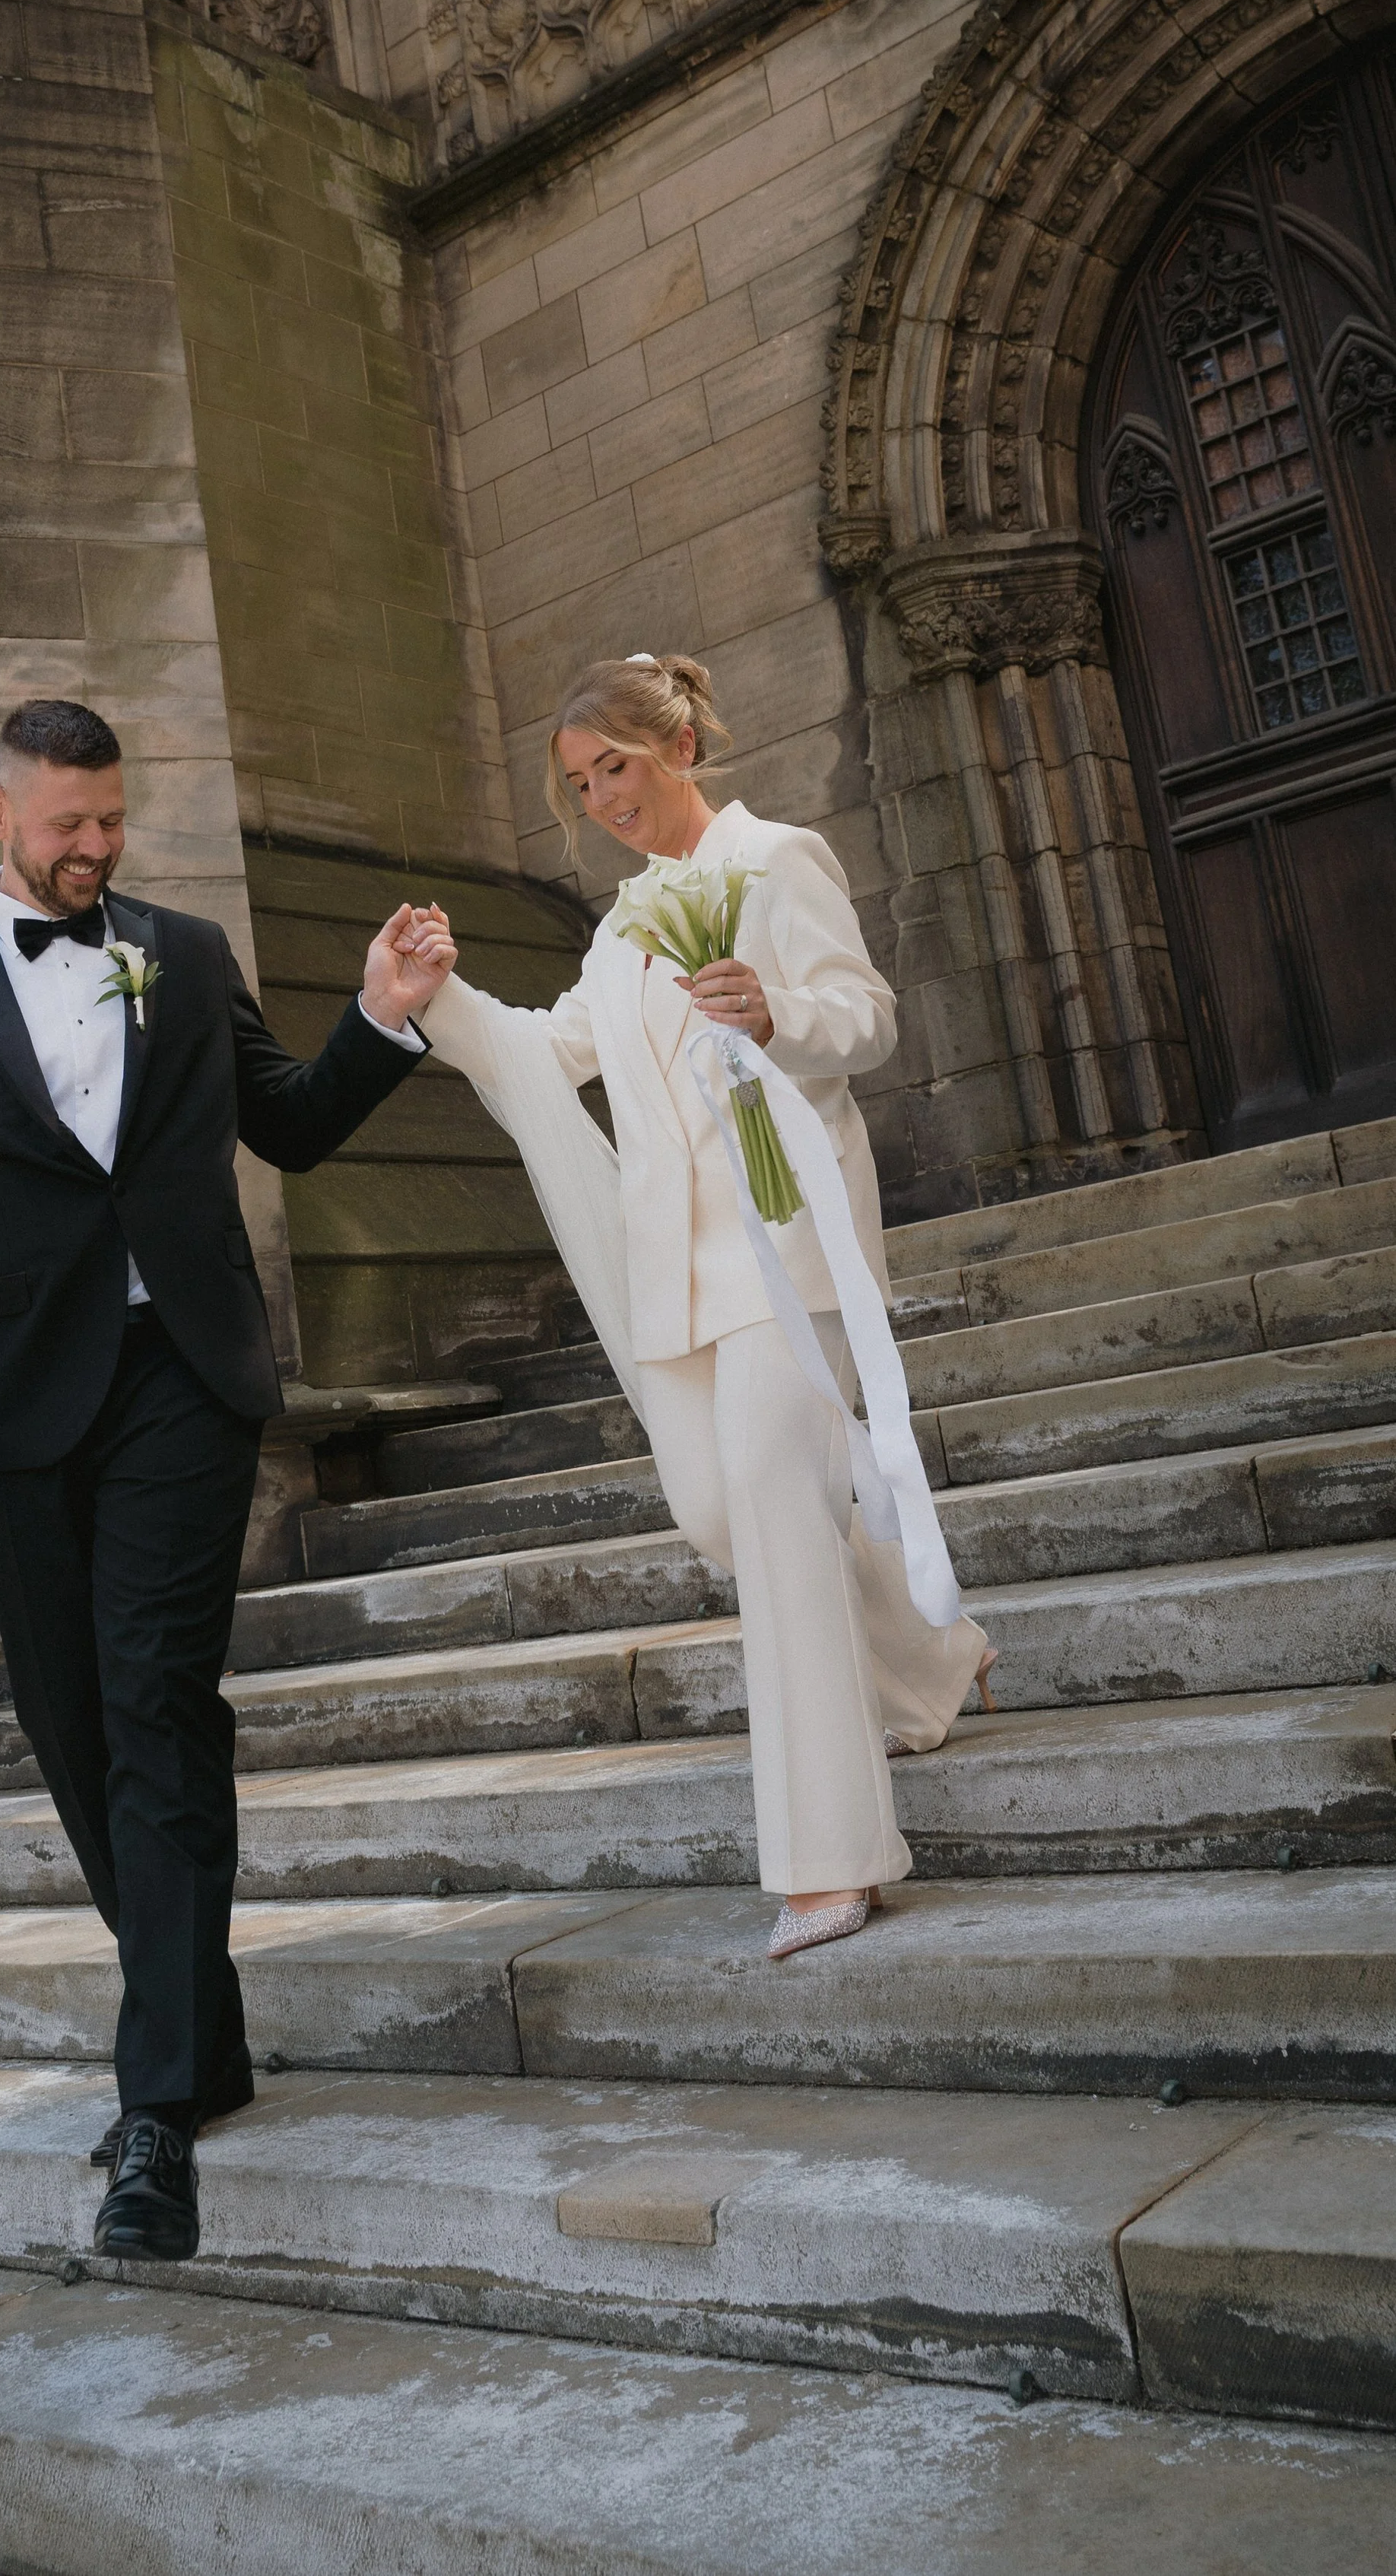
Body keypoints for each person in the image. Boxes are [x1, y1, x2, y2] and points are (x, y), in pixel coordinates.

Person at [0, 697, 452, 2261]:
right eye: (66, 825)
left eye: (111, 820)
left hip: (184, 1381)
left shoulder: (188, 947)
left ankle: (155, 2115)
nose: (96, 849)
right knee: (74, 1724)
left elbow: (288, 1129)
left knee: (156, 1699)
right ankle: (206, 2037)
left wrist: (377, 1017)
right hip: (19, 1411)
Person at [401, 653, 996, 1961]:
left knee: (781, 1521)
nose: (602, 796)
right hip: (672, 1267)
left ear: (677, 742)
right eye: (578, 783)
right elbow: (554, 1053)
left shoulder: (779, 860)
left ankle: (829, 1859)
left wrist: (778, 1016)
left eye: (615, 764)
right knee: (718, 1514)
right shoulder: (621, 930)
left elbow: (870, 1018)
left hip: (790, 1252)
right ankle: (931, 1652)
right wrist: (432, 995)